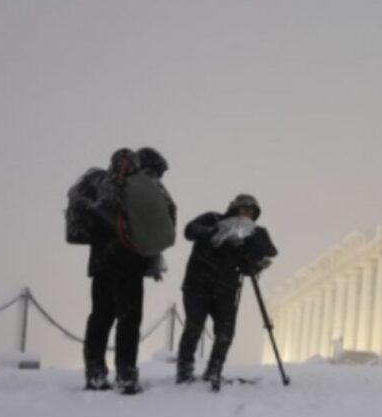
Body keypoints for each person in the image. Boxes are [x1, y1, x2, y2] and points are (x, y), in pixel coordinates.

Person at [69, 148, 170, 394]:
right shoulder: (145, 187)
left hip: (101, 262)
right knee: (129, 320)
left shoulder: (99, 183)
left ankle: (95, 373)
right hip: (130, 263)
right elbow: (164, 222)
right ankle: (125, 375)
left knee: (100, 318)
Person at [176, 193, 277, 390]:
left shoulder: (250, 234)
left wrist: (256, 262)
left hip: (226, 288)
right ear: (234, 208)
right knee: (193, 327)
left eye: (251, 211)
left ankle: (214, 370)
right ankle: (184, 371)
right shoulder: (213, 219)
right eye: (244, 209)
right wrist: (217, 232)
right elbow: (190, 230)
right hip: (198, 285)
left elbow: (250, 265)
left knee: (225, 332)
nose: (247, 214)